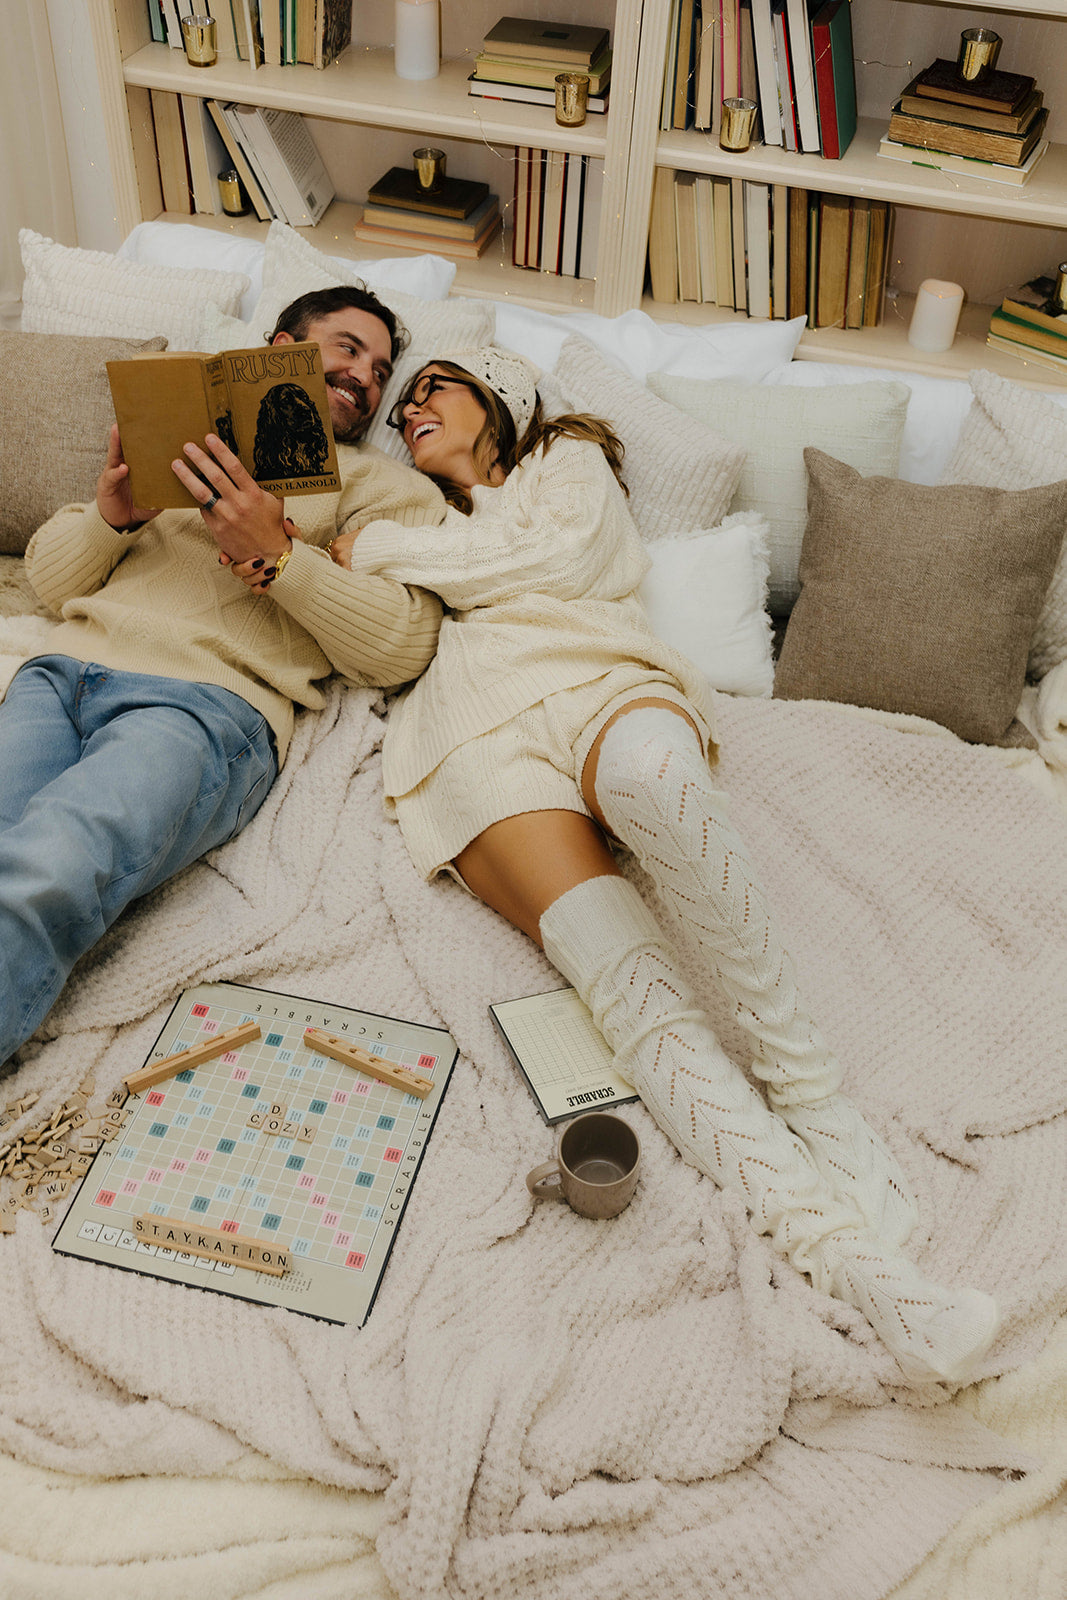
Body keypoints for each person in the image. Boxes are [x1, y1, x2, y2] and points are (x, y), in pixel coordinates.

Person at [232, 346, 999, 1385]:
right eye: (402, 399)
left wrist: (388, 556)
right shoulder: (400, 519)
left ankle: (808, 1089)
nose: (410, 405)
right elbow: (390, 634)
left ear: (501, 400)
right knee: (626, 984)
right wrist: (362, 556)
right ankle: (858, 1271)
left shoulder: (565, 464)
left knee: (656, 782)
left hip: (592, 674)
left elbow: (556, 569)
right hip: (472, 730)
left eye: (435, 386)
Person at [0, 285, 447, 1067]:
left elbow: (401, 645)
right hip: (63, 671)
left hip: (203, 708)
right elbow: (48, 581)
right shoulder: (187, 440)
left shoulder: (391, 490)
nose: (365, 379)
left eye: (380, 371)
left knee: (53, 862)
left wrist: (278, 555)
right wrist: (112, 516)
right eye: (345, 349)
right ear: (278, 351)